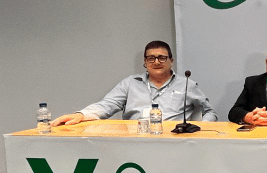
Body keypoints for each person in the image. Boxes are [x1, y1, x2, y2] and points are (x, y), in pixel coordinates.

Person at [52, 40, 217, 126]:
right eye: (151, 58)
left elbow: (209, 111)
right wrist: (81, 115)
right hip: (135, 140)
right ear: (145, 62)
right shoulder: (130, 83)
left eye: (162, 58)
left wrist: (201, 128)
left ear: (171, 61)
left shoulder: (186, 84)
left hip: (175, 141)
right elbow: (107, 105)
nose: (156, 62)